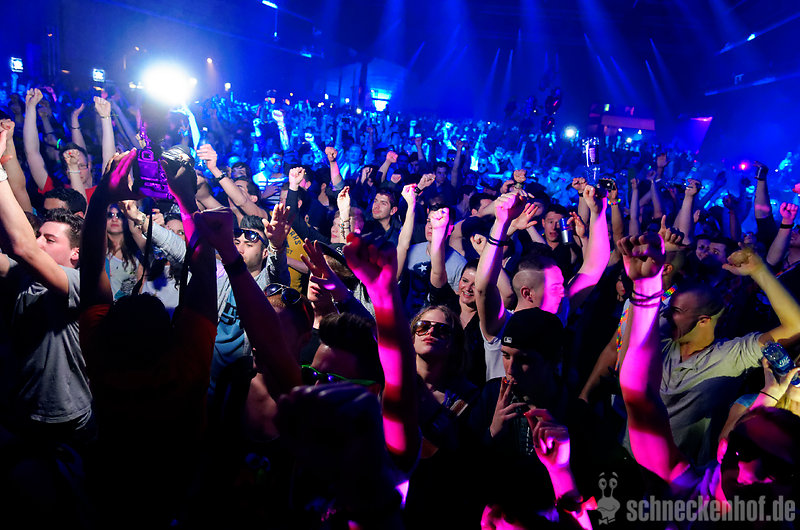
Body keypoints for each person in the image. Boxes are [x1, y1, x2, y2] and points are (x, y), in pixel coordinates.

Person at [618, 232, 800, 527]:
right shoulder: (661, 344)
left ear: (704, 320)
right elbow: (636, 391)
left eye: (777, 466)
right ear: (725, 448)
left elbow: (796, 326)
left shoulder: (731, 355)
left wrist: (760, 271)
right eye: (743, 450)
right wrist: (645, 287)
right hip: (630, 464)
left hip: (671, 469)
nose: (751, 470)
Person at [78, 148, 217, 528]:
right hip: (178, 484)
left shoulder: (103, 357)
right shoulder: (186, 363)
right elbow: (206, 274)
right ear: (170, 331)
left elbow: (89, 269)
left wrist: (102, 197)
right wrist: (186, 198)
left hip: (115, 483)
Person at [0, 126, 92, 450]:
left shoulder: (79, 282)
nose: (38, 242)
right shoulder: (23, 275)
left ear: (75, 253)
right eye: (39, 236)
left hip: (68, 417)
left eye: (49, 240)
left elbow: (23, 247)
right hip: (22, 408)